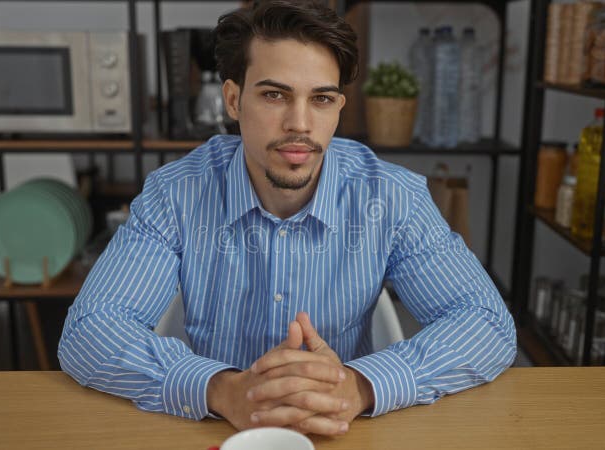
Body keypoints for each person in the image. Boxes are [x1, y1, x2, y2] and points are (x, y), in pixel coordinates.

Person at [58, 0, 516, 437]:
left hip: (340, 428)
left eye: (321, 99)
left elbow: (487, 324)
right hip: (217, 429)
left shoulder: (393, 198)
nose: (300, 123)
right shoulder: (175, 194)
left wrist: (358, 385)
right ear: (234, 101)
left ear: (338, 107)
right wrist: (222, 388)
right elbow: (89, 331)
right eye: (275, 95)